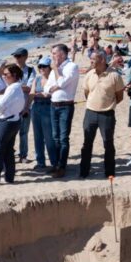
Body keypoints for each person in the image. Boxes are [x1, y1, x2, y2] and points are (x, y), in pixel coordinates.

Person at [80, 51, 125, 179]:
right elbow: (87, 93)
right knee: (87, 143)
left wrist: (107, 105)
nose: (91, 61)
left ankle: (109, 171)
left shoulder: (114, 75)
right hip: (90, 113)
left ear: (102, 60)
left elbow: (120, 96)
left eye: (93, 59)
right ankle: (84, 171)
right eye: (91, 59)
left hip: (107, 114)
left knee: (108, 143)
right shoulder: (89, 74)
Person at [44, 43, 80, 178]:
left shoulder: (72, 67)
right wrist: (54, 87)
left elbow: (62, 83)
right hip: (54, 105)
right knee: (55, 137)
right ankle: (56, 164)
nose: (52, 56)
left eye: (54, 53)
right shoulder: (56, 70)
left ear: (63, 54)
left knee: (64, 137)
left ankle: (62, 167)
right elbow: (47, 88)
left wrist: (56, 72)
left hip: (66, 105)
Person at [0, 63, 25, 185]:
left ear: (14, 75)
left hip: (7, 122)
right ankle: (9, 177)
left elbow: (0, 106)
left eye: (6, 74)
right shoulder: (15, 87)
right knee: (8, 150)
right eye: (3, 74)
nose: (3, 77)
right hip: (13, 120)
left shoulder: (13, 88)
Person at [30, 57, 56, 171]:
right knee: (38, 136)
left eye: (44, 66)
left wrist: (39, 94)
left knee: (49, 137)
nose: (41, 69)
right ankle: (40, 162)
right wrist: (26, 107)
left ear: (50, 67)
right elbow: (32, 93)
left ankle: (54, 162)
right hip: (36, 107)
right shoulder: (37, 78)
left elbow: (51, 94)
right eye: (39, 66)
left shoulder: (53, 79)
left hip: (48, 108)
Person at [11, 47, 35, 163]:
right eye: (15, 56)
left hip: (25, 106)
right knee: (10, 133)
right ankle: (10, 154)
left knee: (24, 133)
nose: (16, 58)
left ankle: (23, 155)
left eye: (18, 56)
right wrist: (22, 87)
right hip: (11, 107)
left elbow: (30, 88)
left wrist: (14, 87)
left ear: (25, 57)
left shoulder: (30, 71)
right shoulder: (10, 69)